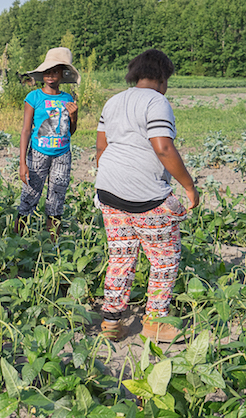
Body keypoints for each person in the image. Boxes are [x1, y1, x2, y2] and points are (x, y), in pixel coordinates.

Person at [95, 49, 199, 342]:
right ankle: (154, 323)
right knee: (164, 257)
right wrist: (189, 187)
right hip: (145, 195)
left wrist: (115, 180)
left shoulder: (113, 100)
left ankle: (111, 321)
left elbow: (101, 149)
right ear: (162, 77)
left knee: (121, 255)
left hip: (108, 190)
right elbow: (163, 147)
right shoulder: (157, 101)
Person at [17, 47, 79, 238]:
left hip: (62, 155)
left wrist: (74, 116)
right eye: (47, 71)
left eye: (55, 71)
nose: (51, 75)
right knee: (29, 196)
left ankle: (52, 245)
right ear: (43, 74)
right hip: (38, 153)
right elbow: (26, 130)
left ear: (62, 74)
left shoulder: (68, 99)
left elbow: (70, 131)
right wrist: (22, 162)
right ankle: (17, 240)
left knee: (56, 199)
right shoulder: (34, 97)